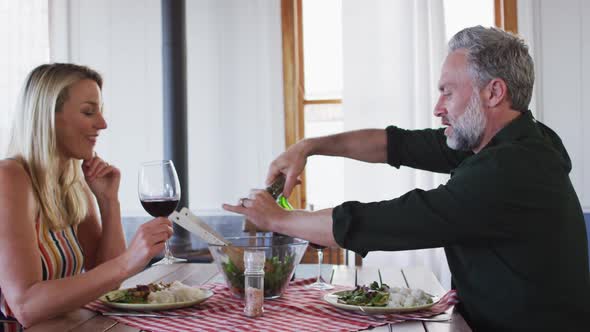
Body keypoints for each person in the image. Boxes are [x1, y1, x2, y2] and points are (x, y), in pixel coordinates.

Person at [223, 26, 590, 330]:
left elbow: (390, 221)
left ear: (494, 92)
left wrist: (277, 218)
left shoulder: (509, 169)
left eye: (447, 91)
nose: (438, 107)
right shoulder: (519, 139)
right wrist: (309, 146)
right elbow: (394, 144)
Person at [0, 64, 173, 328]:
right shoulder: (9, 178)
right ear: (48, 117)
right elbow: (26, 305)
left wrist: (109, 202)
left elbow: (108, 283)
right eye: (88, 111)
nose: (102, 124)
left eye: (100, 111)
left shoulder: (73, 182)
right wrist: (129, 260)